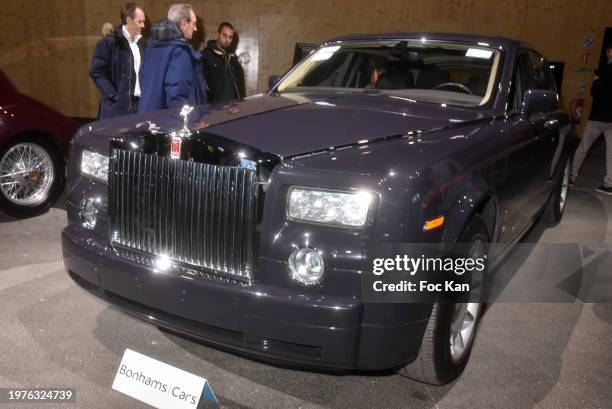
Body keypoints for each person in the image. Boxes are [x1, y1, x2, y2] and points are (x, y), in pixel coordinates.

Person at [138, 4, 207, 112]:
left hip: (148, 117)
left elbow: (142, 80)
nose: (195, 28)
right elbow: (177, 96)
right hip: (169, 123)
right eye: (193, 23)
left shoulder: (151, 48)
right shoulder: (180, 51)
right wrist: (189, 121)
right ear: (183, 23)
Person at [90, 3, 146, 118]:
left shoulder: (142, 44)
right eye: (139, 22)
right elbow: (96, 71)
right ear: (129, 20)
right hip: (116, 108)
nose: (143, 25)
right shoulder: (110, 42)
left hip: (139, 107)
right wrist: (112, 94)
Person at [571, 44, 612, 195]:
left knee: (583, 147)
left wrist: (595, 80)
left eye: (609, 50)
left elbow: (596, 92)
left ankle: (571, 176)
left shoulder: (606, 70)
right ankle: (609, 184)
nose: (608, 53)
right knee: (611, 152)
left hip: (599, 116)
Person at [202, 22, 246, 104]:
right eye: (224, 35)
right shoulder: (206, 56)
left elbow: (240, 86)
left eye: (230, 37)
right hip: (214, 109)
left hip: (234, 108)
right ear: (218, 34)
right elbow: (201, 87)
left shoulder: (233, 58)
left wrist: (241, 103)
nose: (227, 40)